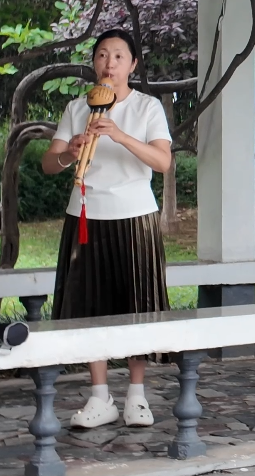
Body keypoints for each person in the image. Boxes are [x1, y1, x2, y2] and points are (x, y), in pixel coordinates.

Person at [42, 28, 173, 429]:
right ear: (94, 63)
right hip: (84, 215)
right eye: (102, 55)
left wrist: (118, 134)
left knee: (136, 302)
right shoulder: (76, 107)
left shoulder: (147, 107)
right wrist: (69, 150)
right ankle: (100, 396)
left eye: (118, 56)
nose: (109, 64)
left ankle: (136, 396)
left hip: (134, 217)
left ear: (132, 64)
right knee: (88, 306)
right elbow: (48, 163)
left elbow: (162, 162)